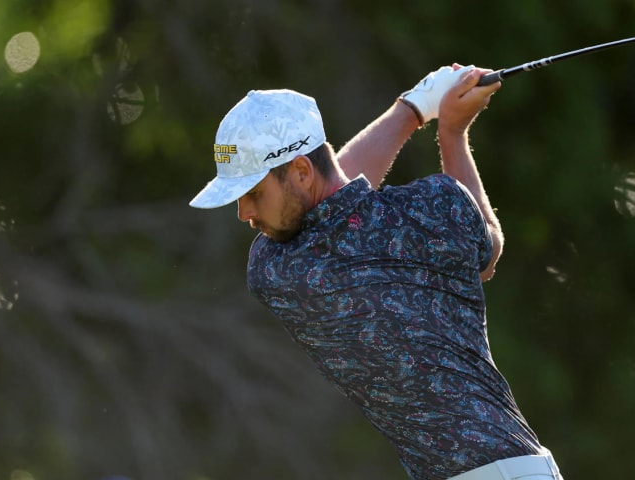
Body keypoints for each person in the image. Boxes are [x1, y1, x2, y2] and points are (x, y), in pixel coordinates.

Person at [189, 65, 564, 480]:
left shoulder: (277, 269)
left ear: (301, 171)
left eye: (254, 194)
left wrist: (413, 109)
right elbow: (486, 251)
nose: (244, 213)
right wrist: (450, 132)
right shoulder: (432, 207)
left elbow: (334, 194)